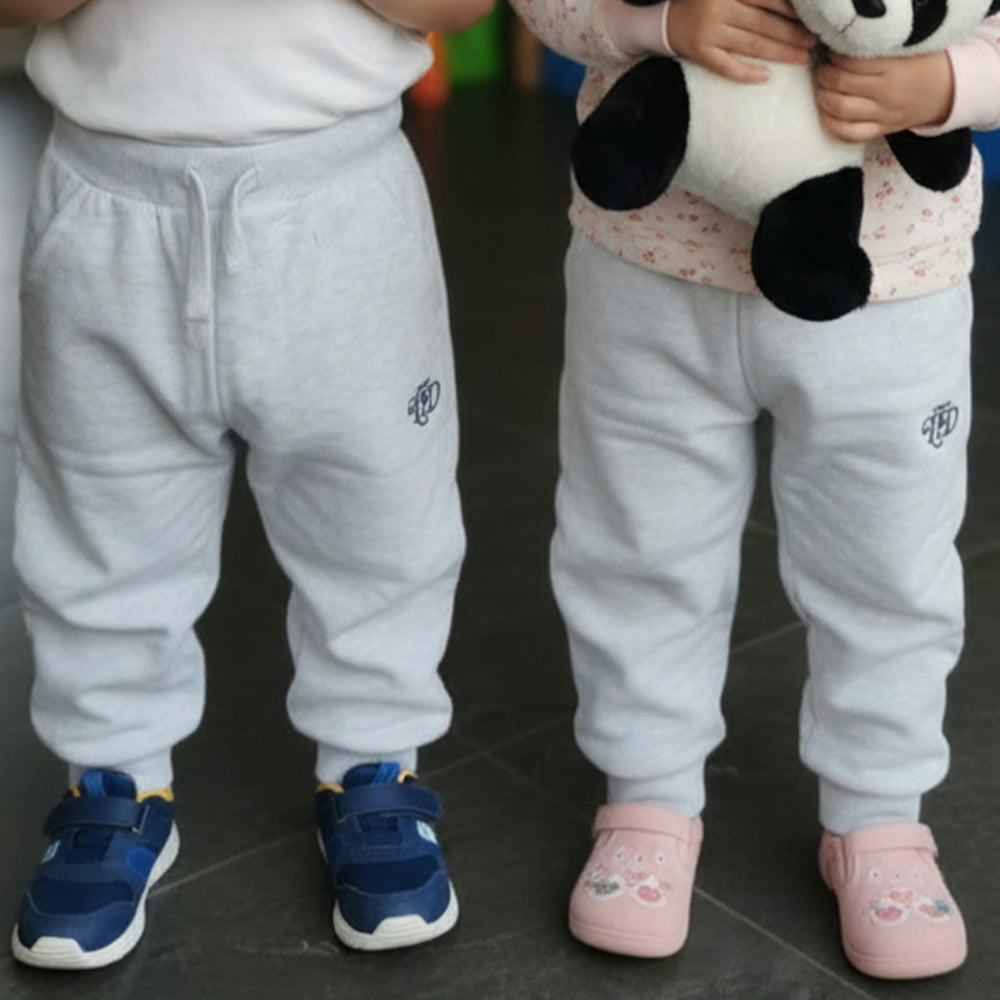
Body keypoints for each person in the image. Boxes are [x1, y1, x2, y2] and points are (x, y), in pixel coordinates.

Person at [510, 0, 1000, 980]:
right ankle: (647, 793)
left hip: (888, 285)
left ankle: (879, 813)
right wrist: (653, 25)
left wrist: (947, 85)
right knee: (636, 547)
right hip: (649, 268)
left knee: (886, 569)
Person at [2, 0, 494, 970]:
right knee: (101, 516)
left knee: (380, 518)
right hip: (109, 203)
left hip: (340, 202)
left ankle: (373, 764)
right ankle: (114, 779)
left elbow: (457, 7)